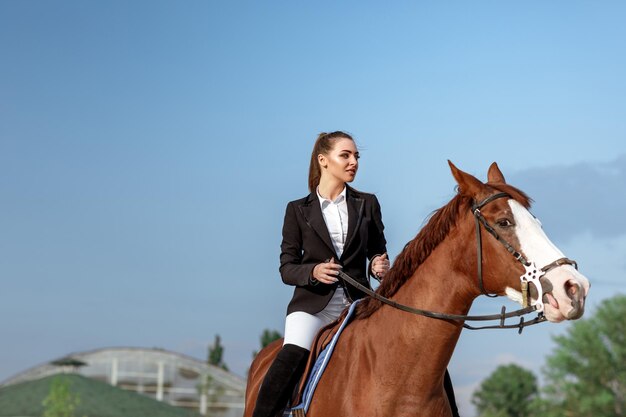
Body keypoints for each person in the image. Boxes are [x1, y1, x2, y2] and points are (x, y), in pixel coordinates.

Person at [252, 131, 390, 417]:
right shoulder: (297, 210)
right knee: (292, 353)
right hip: (312, 306)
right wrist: (313, 270)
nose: (354, 162)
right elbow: (287, 268)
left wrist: (378, 264)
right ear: (323, 160)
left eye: (356, 157)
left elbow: (377, 250)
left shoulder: (368, 203)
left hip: (360, 304)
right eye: (346, 155)